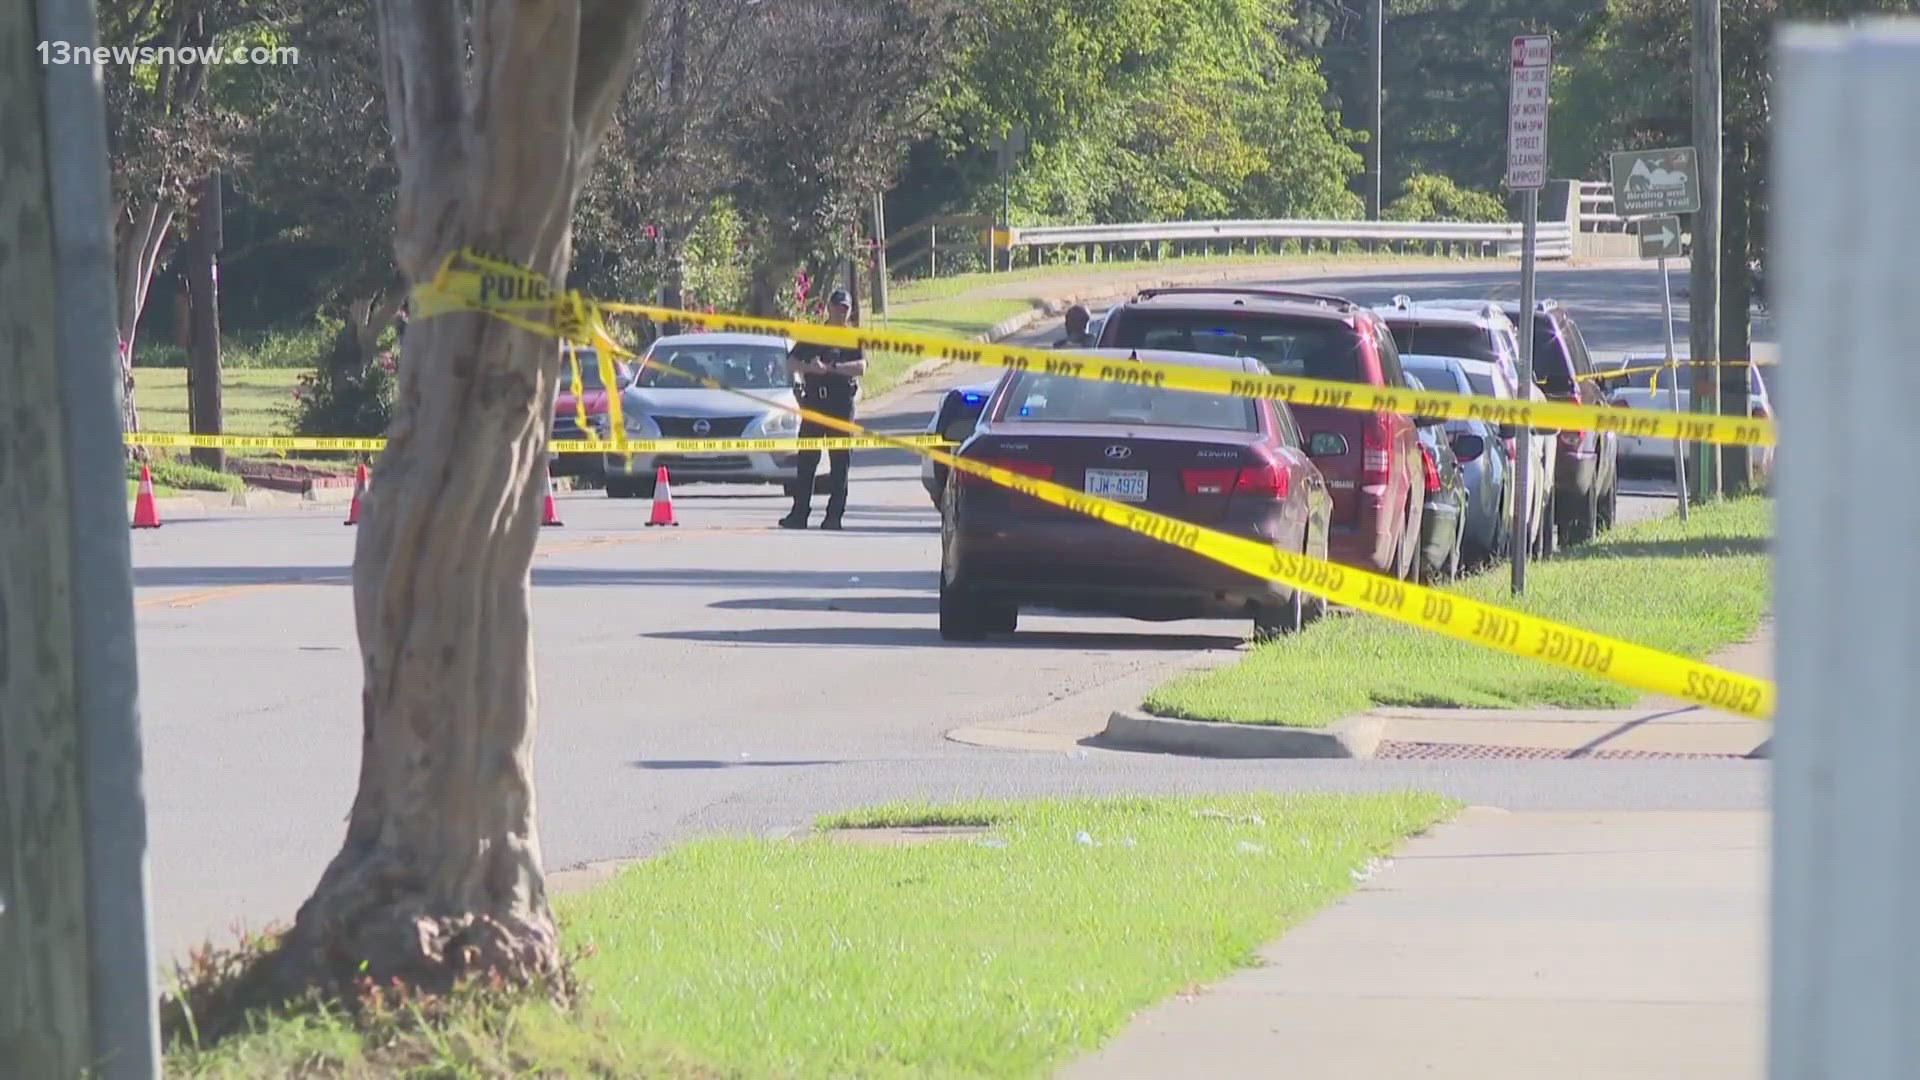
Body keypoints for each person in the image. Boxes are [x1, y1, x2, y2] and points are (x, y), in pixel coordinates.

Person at [780, 288, 866, 530]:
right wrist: (810, 366)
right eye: (837, 307)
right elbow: (790, 363)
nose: (841, 312)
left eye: (845, 308)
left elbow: (861, 367)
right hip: (815, 404)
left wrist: (834, 367)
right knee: (807, 461)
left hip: (840, 404)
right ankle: (799, 514)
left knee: (840, 463)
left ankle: (834, 516)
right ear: (828, 307)